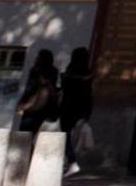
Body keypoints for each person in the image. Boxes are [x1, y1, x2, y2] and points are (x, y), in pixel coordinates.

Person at [59, 47, 93, 177]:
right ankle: (70, 162)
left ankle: (71, 162)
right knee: (74, 138)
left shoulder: (70, 72)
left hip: (68, 107)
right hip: (83, 108)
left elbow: (64, 87)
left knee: (66, 136)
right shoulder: (88, 73)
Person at [15, 49, 59, 135]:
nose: (36, 59)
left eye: (38, 57)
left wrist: (22, 104)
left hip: (34, 108)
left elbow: (29, 89)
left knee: (26, 133)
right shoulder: (52, 71)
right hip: (42, 109)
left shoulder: (36, 70)